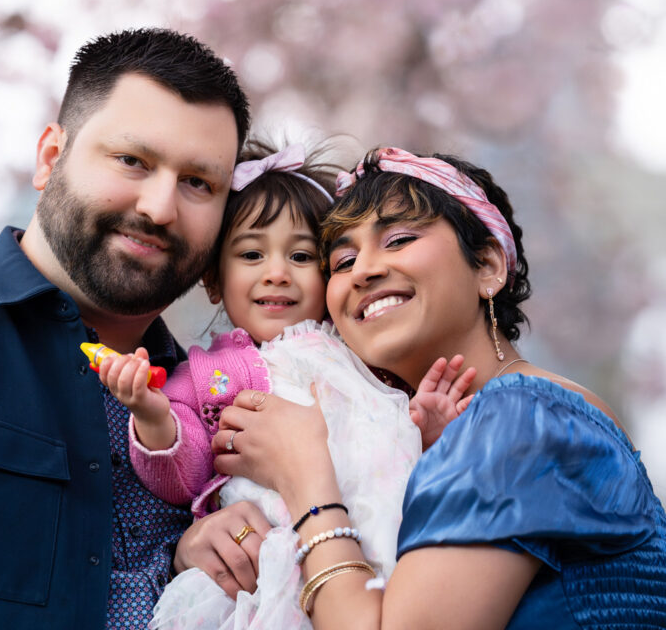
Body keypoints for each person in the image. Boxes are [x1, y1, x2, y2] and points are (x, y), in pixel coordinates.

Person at [0, 27, 252, 630]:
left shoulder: (223, 410)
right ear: (51, 157)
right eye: (132, 160)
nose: (160, 207)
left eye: (197, 183)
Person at [209, 147, 666, 629]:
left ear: (488, 265)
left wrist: (306, 477)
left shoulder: (519, 420)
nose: (363, 271)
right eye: (342, 261)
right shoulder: (448, 432)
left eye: (400, 239)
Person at [97, 140, 472, 630]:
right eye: (252, 254)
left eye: (300, 255)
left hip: (378, 538)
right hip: (277, 555)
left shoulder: (360, 352)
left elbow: (384, 440)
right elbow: (184, 474)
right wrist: (152, 417)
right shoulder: (213, 375)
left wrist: (425, 428)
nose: (276, 274)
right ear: (214, 281)